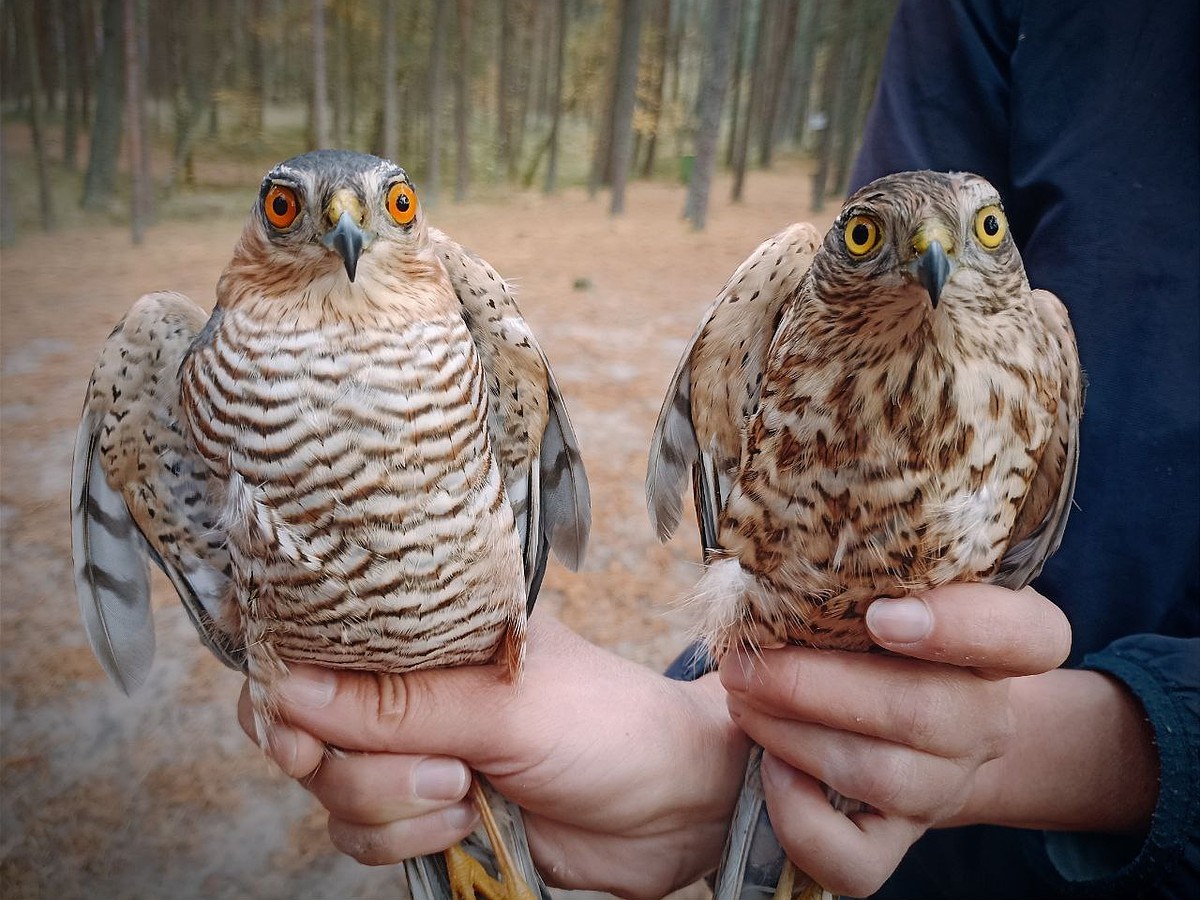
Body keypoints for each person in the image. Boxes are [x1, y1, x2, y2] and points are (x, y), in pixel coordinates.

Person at [238, 1, 1198, 896]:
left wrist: (1050, 751)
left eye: (985, 232)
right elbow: (885, 223)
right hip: (818, 756)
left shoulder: (1041, 342)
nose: (937, 260)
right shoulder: (976, 48)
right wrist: (702, 744)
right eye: (872, 239)